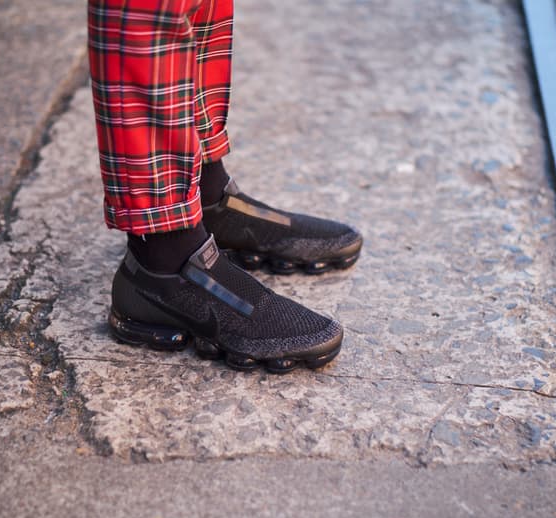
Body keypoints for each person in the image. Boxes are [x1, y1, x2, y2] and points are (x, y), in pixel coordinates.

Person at [88, 0, 362, 373]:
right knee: (148, 8)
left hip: (193, 169)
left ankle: (201, 191)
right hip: (162, 260)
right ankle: (163, 259)